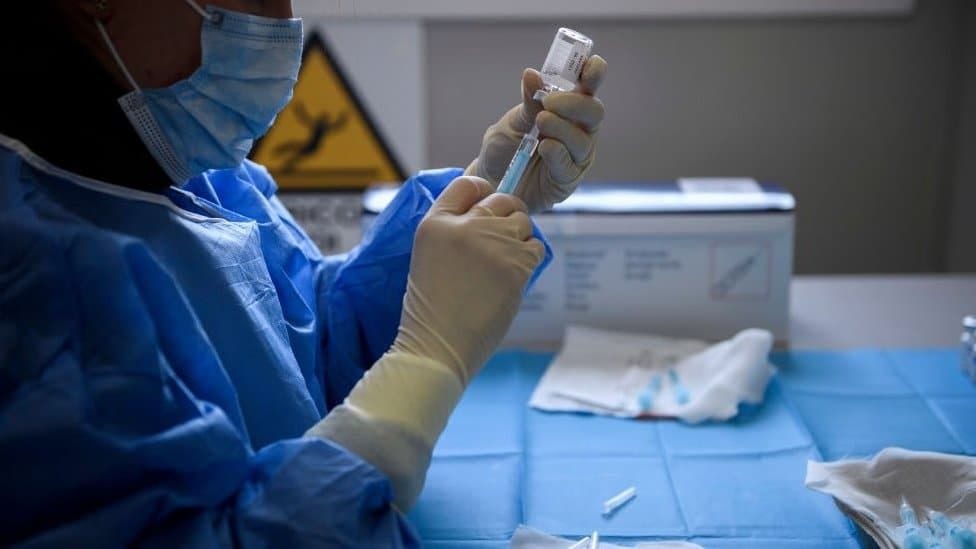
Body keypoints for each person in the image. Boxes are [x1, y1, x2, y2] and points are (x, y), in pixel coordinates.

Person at [0, 0, 607, 546]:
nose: (279, 21)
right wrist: (427, 358)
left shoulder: (189, 166)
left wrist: (489, 186)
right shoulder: (30, 288)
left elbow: (302, 351)